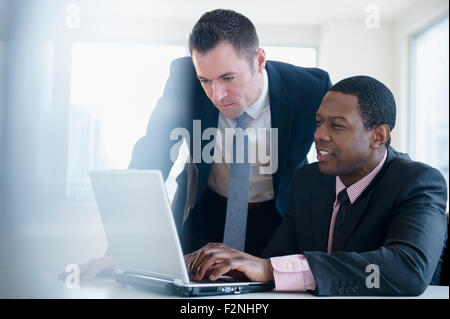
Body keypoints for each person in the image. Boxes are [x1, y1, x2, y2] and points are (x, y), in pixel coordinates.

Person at [60, 9, 331, 280]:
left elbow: (335, 164)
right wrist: (119, 249)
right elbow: (150, 156)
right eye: (205, 80)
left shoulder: (310, 89)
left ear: (258, 60)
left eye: (228, 78)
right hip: (206, 214)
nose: (217, 95)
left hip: (278, 217)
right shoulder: (183, 82)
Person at [185, 75, 448, 296]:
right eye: (319, 122)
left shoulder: (418, 182)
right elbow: (278, 258)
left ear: (378, 136)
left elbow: (407, 270)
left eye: (337, 126)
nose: (319, 135)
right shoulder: (309, 180)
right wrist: (231, 267)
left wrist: (270, 269)